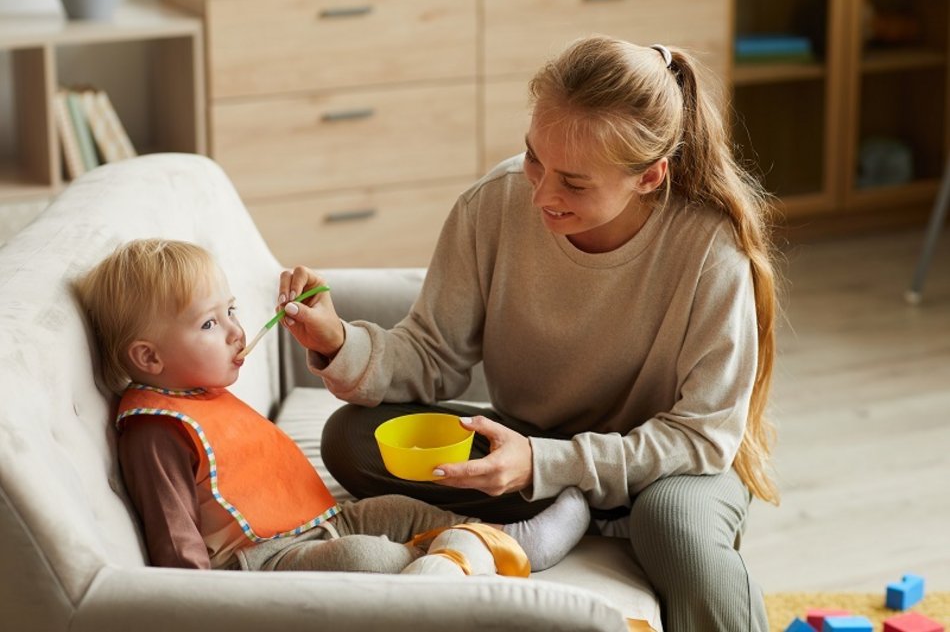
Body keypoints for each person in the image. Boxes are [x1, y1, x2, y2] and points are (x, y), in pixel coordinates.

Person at [276, 35, 779, 630]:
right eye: (533, 157)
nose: (539, 193)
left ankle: (568, 505)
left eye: (575, 182)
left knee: (672, 526)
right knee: (353, 437)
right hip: (533, 447)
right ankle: (567, 508)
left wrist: (550, 463)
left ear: (649, 177)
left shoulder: (710, 250)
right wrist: (338, 342)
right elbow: (432, 352)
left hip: (663, 469)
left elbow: (702, 438)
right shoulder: (494, 204)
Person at [73, 238, 589, 578]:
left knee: (398, 510)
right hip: (265, 561)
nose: (236, 330)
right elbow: (175, 544)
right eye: (210, 324)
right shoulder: (156, 430)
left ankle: (501, 539)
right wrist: (209, 605)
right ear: (148, 357)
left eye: (231, 311)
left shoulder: (203, 396)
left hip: (324, 522)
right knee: (365, 556)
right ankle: (461, 561)